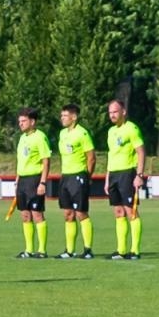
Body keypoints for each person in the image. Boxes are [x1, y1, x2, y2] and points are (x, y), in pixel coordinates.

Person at [105, 99, 147, 260]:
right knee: (118, 211)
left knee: (131, 211)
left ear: (123, 112)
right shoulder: (111, 131)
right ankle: (121, 250)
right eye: (110, 112)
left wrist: (139, 175)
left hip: (127, 173)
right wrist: (107, 179)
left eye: (115, 112)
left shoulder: (132, 129)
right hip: (114, 175)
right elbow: (111, 155)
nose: (112, 115)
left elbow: (141, 152)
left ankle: (135, 250)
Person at [55, 105, 96, 260]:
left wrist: (87, 176)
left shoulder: (82, 133)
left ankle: (87, 249)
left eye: (65, 115)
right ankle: (69, 250)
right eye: (61, 115)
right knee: (68, 213)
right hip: (65, 177)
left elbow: (91, 158)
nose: (62, 118)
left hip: (78, 176)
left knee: (81, 213)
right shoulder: (62, 134)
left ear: (74, 117)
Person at [14, 108, 51, 259]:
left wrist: (43, 182)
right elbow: (20, 161)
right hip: (22, 180)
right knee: (25, 215)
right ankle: (28, 249)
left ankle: (42, 250)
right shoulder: (22, 138)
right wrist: (17, 180)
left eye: (24, 121)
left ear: (32, 122)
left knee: (37, 214)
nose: (21, 124)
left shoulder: (40, 137)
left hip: (35, 179)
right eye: (19, 121)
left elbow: (46, 161)